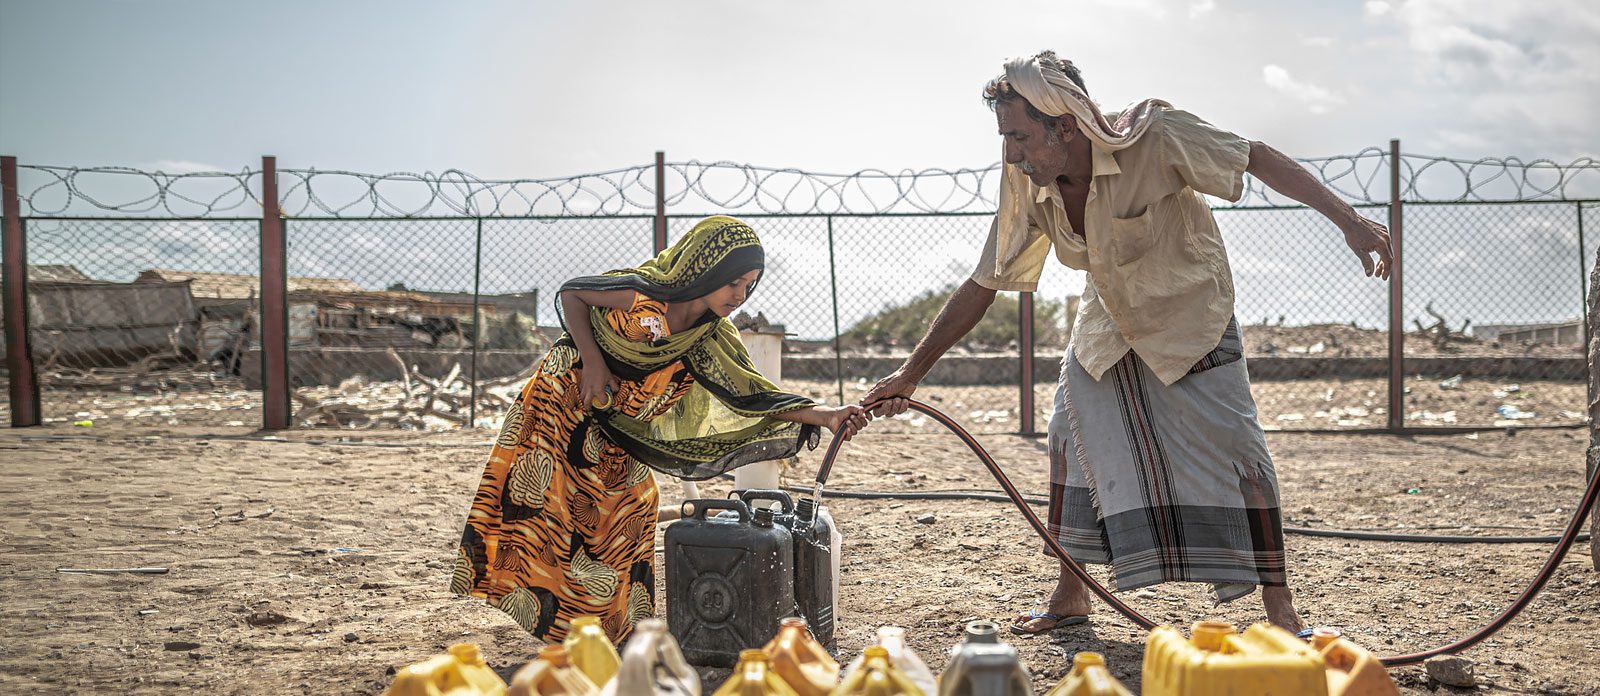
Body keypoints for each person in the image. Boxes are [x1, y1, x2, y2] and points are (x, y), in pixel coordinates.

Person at [863, 52, 1392, 635]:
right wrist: (910, 374)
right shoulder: (1026, 180)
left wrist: (1350, 221)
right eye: (1005, 138)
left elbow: (1255, 156)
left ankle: (1280, 611)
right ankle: (1071, 596)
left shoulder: (1155, 136)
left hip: (1190, 316)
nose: (1011, 153)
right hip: (1107, 324)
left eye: (1019, 136)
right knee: (1073, 434)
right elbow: (986, 280)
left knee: (1236, 445)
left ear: (1064, 125)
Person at [453, 215, 869, 643]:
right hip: (564, 401)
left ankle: (610, 630)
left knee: (633, 504)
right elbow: (573, 294)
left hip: (619, 423)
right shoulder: (644, 293)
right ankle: (573, 624)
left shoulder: (711, 335)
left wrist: (827, 415)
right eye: (734, 283)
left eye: (749, 286)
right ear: (708, 269)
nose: (740, 296)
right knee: (549, 508)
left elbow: (753, 395)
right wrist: (594, 361)